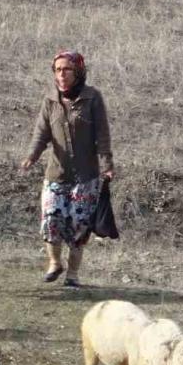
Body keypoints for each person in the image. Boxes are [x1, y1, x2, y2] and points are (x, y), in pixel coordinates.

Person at [20, 50, 114, 287]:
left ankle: (72, 275)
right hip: (56, 173)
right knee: (51, 218)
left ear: (78, 72)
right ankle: (54, 263)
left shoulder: (92, 98)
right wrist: (32, 156)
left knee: (78, 225)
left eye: (67, 69)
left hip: (86, 176)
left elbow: (102, 135)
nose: (61, 74)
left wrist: (107, 165)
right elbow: (41, 133)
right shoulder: (50, 100)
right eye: (58, 69)